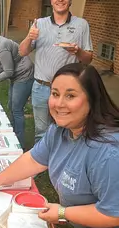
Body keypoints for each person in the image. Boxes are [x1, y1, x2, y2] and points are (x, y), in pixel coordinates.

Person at [0, 63, 119, 228]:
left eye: (70, 95)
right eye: (55, 94)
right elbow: (34, 159)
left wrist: (63, 213)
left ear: (92, 100)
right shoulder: (61, 130)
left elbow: (113, 214)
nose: (59, 103)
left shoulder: (108, 153)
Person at [19, 0, 93, 143]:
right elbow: (22, 51)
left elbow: (88, 59)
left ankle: (63, 163)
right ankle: (43, 165)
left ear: (70, 1)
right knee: (41, 132)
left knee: (68, 131)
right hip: (41, 87)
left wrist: (78, 52)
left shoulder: (82, 24)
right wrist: (29, 37)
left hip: (68, 91)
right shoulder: (39, 23)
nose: (60, 0)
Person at [0, 21, 34, 150]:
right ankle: (13, 134)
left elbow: (8, 72)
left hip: (24, 75)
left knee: (16, 109)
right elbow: (2, 66)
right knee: (11, 105)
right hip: (16, 76)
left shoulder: (2, 46)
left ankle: (19, 145)